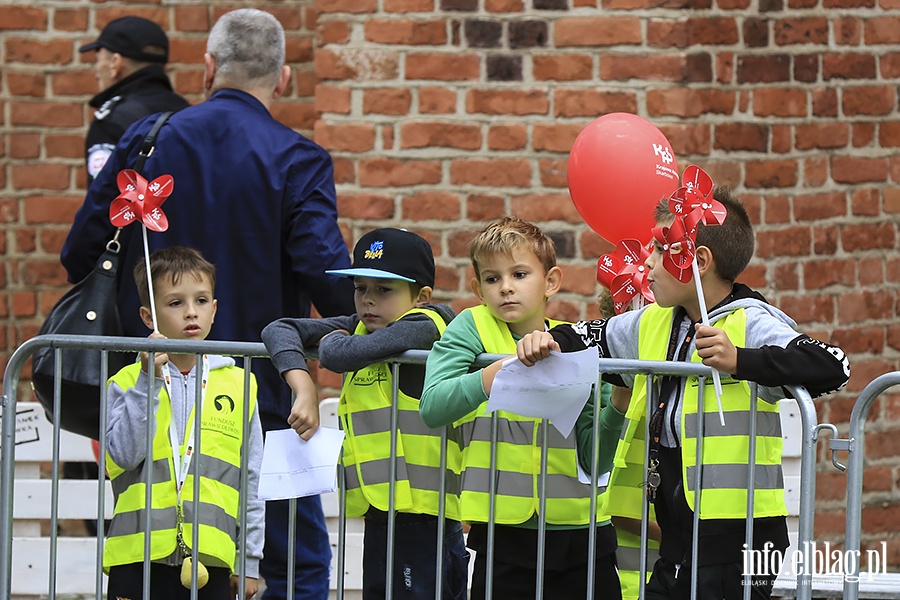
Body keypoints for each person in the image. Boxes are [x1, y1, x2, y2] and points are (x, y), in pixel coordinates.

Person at [61, 9, 355, 599]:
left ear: (207, 68)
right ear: (285, 79)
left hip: (155, 394)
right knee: (294, 566)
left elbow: (80, 253)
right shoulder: (297, 159)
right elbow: (332, 285)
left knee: (162, 568)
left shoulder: (146, 140)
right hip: (264, 396)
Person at [516, 188, 851, 600]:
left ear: (700, 262)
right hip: (676, 538)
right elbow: (590, 336)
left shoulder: (753, 321)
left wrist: (740, 360)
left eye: (660, 248)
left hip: (738, 540)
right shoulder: (653, 322)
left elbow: (834, 365)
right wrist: (545, 340)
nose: (649, 262)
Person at [419, 216, 626, 600]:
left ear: (550, 281)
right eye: (493, 279)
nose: (506, 288)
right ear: (478, 288)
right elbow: (432, 405)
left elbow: (595, 460)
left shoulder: (576, 341)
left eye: (519, 274)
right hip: (504, 537)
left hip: (584, 533)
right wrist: (493, 375)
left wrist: (619, 400)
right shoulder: (472, 326)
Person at [262, 228, 469, 600]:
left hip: (423, 516)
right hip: (381, 511)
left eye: (385, 290)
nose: (368, 301)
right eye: (361, 288)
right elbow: (279, 329)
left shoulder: (428, 325)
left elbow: (339, 355)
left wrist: (332, 342)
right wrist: (304, 387)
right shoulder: (362, 330)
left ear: (421, 297)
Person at [104, 246, 263, 600]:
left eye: (202, 300)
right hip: (138, 559)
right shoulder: (126, 382)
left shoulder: (239, 384)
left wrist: (248, 561)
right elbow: (124, 455)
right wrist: (147, 382)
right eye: (175, 303)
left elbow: (252, 481)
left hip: (212, 561)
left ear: (214, 309)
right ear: (149, 317)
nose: (191, 312)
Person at [79, 15, 189, 185]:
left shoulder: (112, 120)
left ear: (115, 64)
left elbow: (104, 197)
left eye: (98, 60)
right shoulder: (187, 111)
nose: (95, 72)